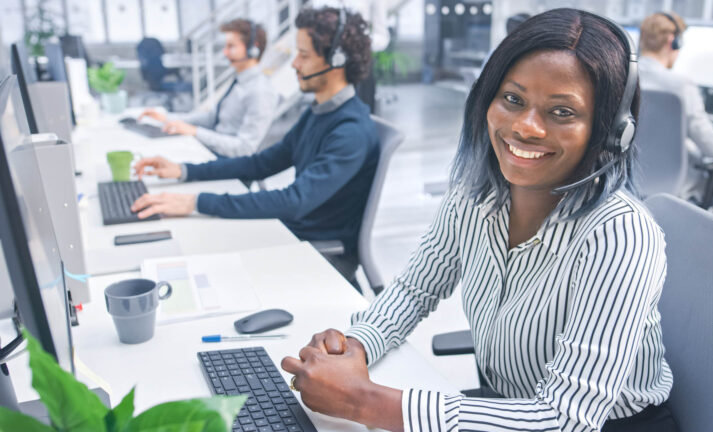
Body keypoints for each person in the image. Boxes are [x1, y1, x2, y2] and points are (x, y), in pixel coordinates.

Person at [281, 8, 677, 432]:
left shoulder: (620, 234)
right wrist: (356, 345)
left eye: (562, 112)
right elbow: (415, 290)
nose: (525, 127)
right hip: (503, 408)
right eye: (513, 99)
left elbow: (566, 419)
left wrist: (364, 401)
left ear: (611, 130)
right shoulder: (475, 195)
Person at [130, 7, 379, 285]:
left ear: (337, 61)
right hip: (289, 235)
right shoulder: (318, 112)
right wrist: (183, 171)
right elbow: (259, 164)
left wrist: (195, 202)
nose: (294, 64)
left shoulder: (350, 131)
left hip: (319, 256)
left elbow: (295, 200)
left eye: (304, 55)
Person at [638, 11, 713, 228]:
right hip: (676, 187)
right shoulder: (681, 86)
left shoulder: (626, 76)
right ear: (671, 41)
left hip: (631, 182)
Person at [139, 19, 277, 158]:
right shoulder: (239, 82)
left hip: (229, 163)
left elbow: (245, 148)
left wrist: (194, 132)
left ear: (253, 48)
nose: (225, 52)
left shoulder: (260, 91)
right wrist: (167, 118)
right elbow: (212, 118)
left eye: (231, 46)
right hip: (214, 152)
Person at [316, 0, 390, 114]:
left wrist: (359, 41)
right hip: (329, 65)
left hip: (359, 64)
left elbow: (382, 37)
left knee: (360, 115)